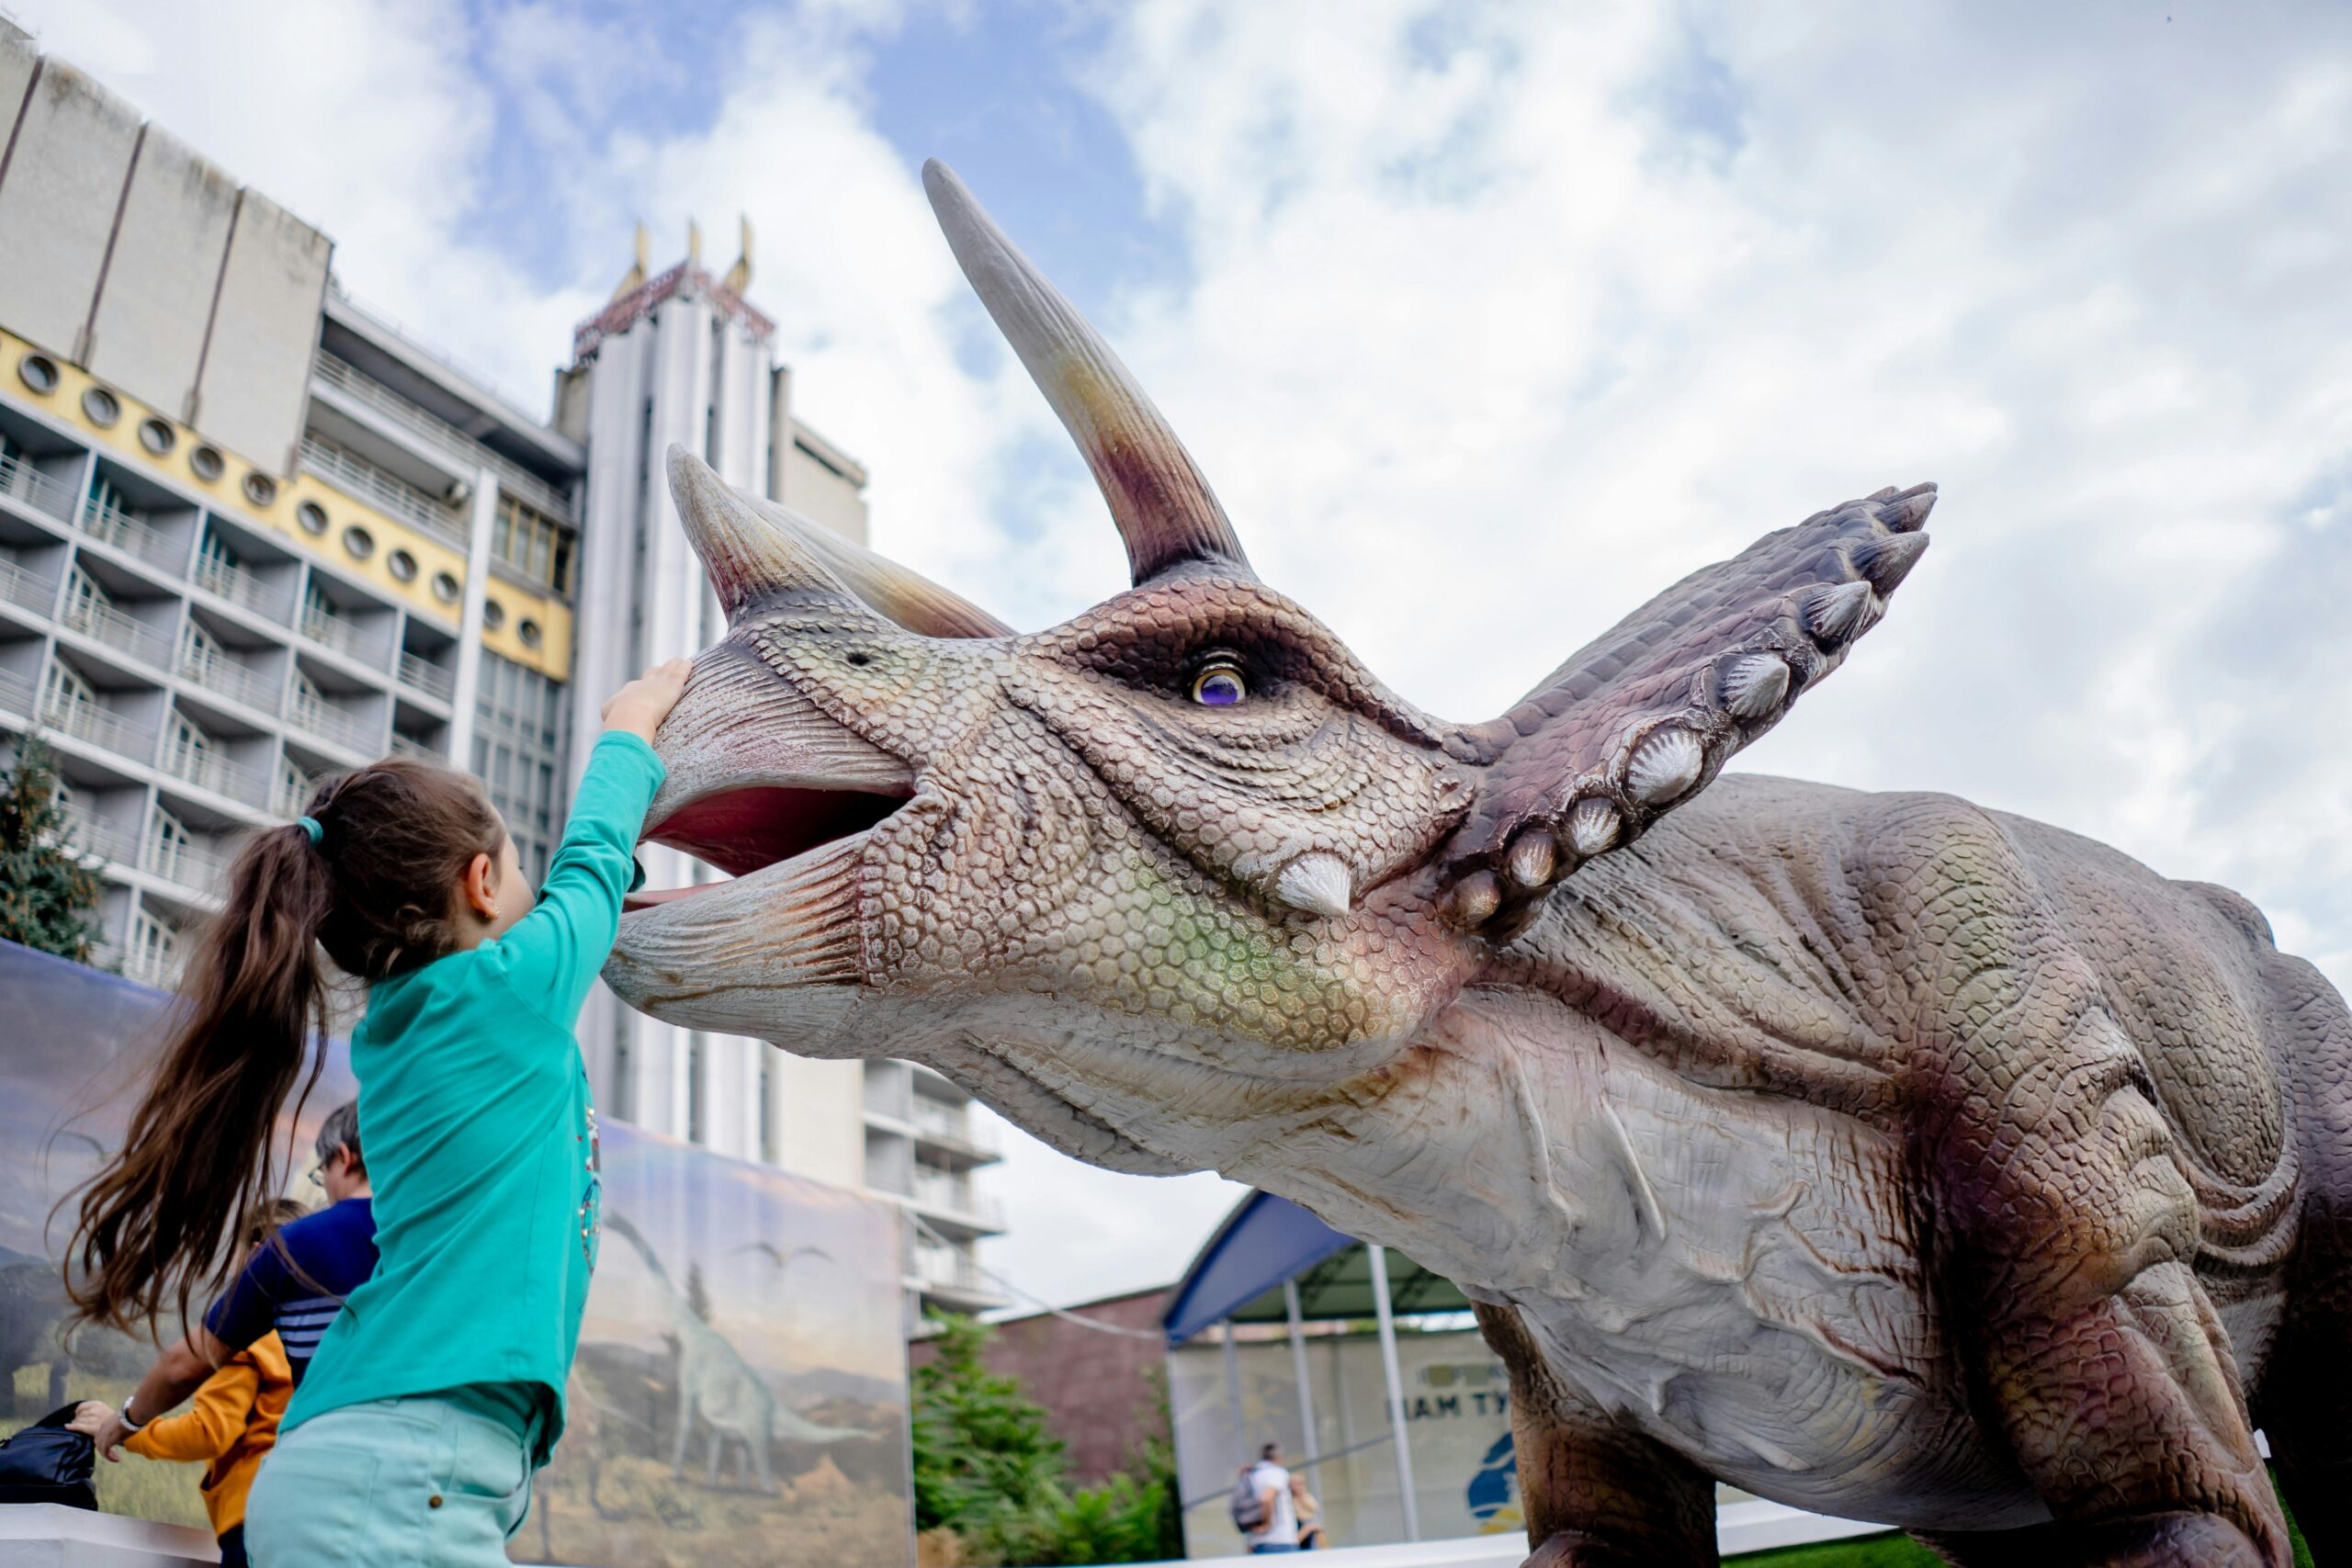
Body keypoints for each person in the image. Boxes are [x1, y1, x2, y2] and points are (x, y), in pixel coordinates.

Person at [66, 658, 690, 1567]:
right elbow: (590, 870)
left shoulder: (409, 1029)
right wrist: (629, 729)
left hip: (375, 1471)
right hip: (401, 1480)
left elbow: (585, 891)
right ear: (481, 884)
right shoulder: (498, 1001)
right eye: (520, 874)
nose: (537, 897)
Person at [76, 1102, 378, 1467]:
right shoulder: (447, 1240)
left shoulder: (292, 1248)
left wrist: (126, 1422)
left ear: (344, 1158)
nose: (325, 1190)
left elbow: (186, 1368)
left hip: (324, 1465)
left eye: (321, 1174)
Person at [69, 1199, 309, 1568]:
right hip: (312, 1512)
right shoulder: (315, 1332)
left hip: (255, 1515)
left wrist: (128, 1431)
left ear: (257, 1253)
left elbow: (210, 1431)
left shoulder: (244, 1333)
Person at [1243, 1441, 1298, 1553]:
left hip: (1256, 1540)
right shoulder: (1276, 1473)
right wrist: (1266, 1523)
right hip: (1279, 1539)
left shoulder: (1252, 1475)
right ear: (1278, 1457)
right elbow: (1267, 1498)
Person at [1290, 1471, 1325, 1551]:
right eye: (1294, 1483)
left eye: (1301, 1483)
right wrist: (1308, 1528)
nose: (1298, 1487)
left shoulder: (1309, 1500)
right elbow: (1293, 1542)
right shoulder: (1289, 1508)